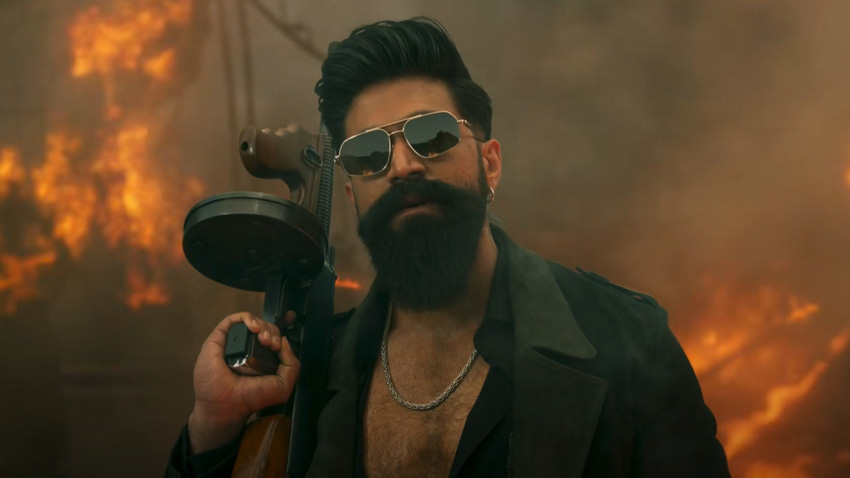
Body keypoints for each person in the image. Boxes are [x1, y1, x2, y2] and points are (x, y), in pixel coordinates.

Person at [165, 17, 730, 478]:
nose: (403, 166)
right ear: (353, 194)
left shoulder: (628, 343)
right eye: (368, 154)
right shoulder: (306, 370)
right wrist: (212, 431)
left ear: (490, 164)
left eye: (430, 135)